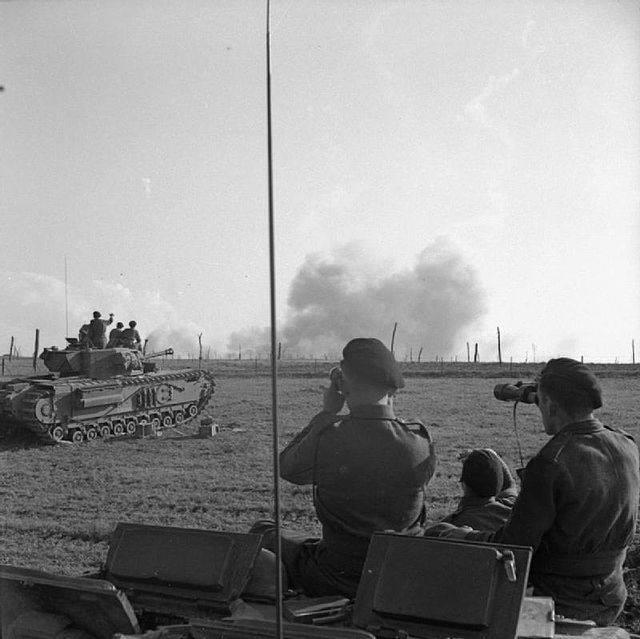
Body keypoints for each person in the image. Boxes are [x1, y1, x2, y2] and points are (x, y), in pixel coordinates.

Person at [425, 358, 639, 626]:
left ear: (548, 403)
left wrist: (461, 534)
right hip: (610, 594)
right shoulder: (626, 443)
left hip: (559, 602)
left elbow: (512, 548)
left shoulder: (551, 462)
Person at [250, 337, 436, 598]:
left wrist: (327, 413)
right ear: (393, 389)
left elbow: (286, 467)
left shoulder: (330, 438)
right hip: (399, 573)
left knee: (264, 530)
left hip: (337, 577)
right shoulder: (420, 440)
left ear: (344, 385)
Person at [440, 448, 517, 532]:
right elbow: (509, 485)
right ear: (499, 484)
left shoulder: (447, 528)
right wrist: (490, 455)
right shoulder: (514, 513)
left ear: (464, 484)